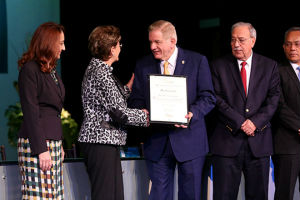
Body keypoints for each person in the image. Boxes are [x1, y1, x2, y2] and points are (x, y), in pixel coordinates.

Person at [129, 20, 216, 200]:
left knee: (190, 195)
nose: (152, 47)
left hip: (190, 141)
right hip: (157, 142)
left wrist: (192, 113)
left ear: (172, 41)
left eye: (157, 42)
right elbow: (136, 99)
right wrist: (142, 111)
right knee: (159, 196)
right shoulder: (143, 64)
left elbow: (208, 97)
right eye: (150, 42)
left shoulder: (197, 61)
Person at [209, 21, 280, 200]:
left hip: (259, 143)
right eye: (233, 40)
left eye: (241, 40)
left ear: (253, 41)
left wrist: (255, 122)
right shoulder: (218, 66)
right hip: (226, 143)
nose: (236, 44)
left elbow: (273, 99)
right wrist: (240, 122)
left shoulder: (269, 66)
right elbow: (216, 99)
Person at [78, 25, 149, 200]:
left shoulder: (100, 70)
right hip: (99, 141)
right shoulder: (100, 72)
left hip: (104, 142)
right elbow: (119, 113)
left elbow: (109, 99)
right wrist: (146, 116)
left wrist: (128, 88)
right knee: (106, 195)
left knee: (114, 195)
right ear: (111, 49)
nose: (121, 47)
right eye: (119, 44)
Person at [17, 22, 66, 199]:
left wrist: (58, 143)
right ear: (49, 42)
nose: (63, 48)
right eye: (60, 43)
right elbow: (31, 111)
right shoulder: (30, 69)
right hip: (36, 145)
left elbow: (54, 111)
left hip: (51, 143)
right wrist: (41, 149)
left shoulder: (51, 71)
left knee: (54, 196)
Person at [272, 27, 300, 200]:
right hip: (287, 144)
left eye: (297, 44)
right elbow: (279, 105)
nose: (293, 48)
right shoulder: (276, 71)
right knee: (284, 194)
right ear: (283, 47)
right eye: (288, 44)